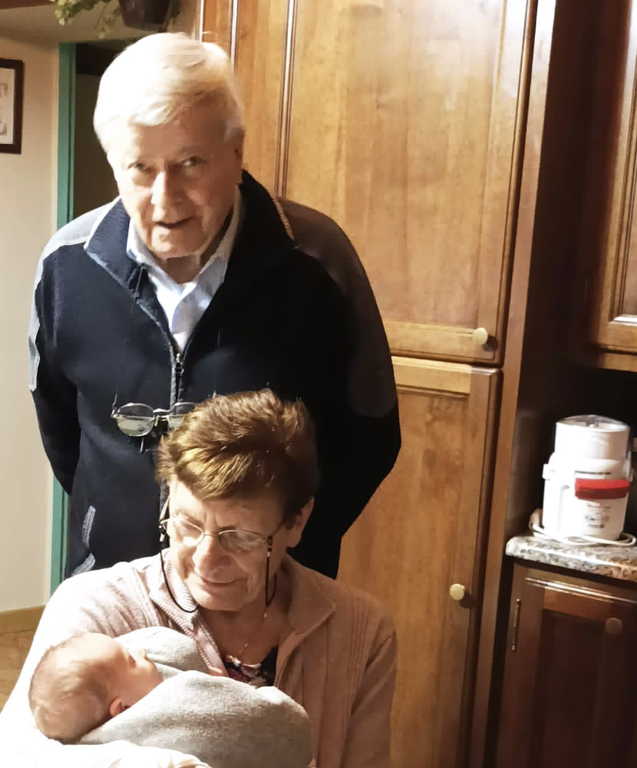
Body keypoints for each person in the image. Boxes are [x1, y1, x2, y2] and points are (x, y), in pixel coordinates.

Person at [28, 32, 400, 581]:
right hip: (114, 587)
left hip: (268, 600)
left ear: (237, 151)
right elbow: (62, 432)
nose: (165, 197)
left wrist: (284, 553)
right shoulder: (67, 264)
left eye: (190, 162)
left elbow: (370, 437)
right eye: (140, 168)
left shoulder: (317, 260)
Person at [0, 390, 396, 768]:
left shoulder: (360, 630)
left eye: (239, 537)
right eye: (186, 524)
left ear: (296, 522)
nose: (206, 560)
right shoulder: (96, 608)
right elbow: (5, 760)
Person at [28, 627, 313, 768]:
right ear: (122, 708)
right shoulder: (174, 712)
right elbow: (278, 726)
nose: (142, 652)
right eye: (131, 661)